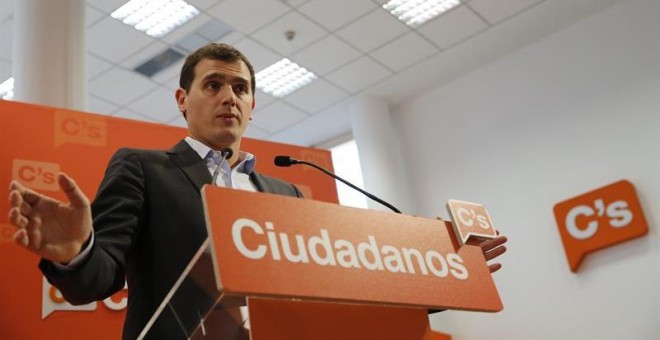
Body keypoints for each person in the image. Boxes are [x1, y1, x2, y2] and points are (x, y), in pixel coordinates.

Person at [7, 43, 507, 339]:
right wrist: (76, 252)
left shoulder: (286, 192)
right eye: (213, 85)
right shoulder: (143, 168)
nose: (229, 96)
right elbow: (99, 277)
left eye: (241, 88)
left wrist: (442, 279)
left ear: (252, 105)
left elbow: (335, 294)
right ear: (182, 100)